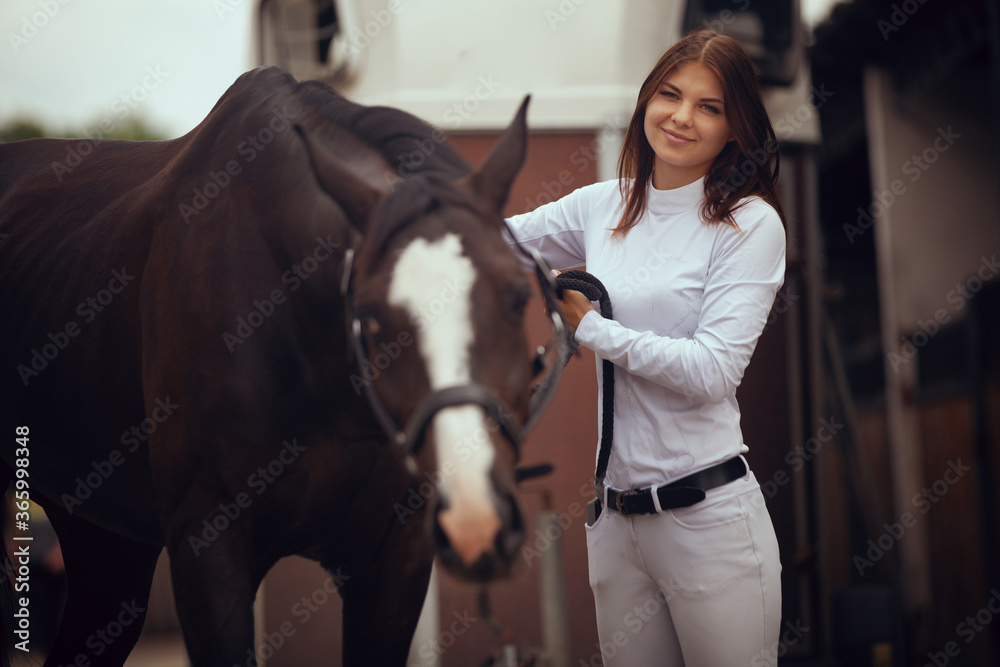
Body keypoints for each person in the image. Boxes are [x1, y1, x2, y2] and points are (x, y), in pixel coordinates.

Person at [504, 28, 786, 666]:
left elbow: (714, 371)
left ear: (736, 125)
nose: (682, 117)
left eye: (709, 107)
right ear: (645, 101)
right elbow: (492, 239)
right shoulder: (606, 204)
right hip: (615, 523)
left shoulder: (749, 224)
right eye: (670, 95)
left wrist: (592, 329)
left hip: (708, 519)